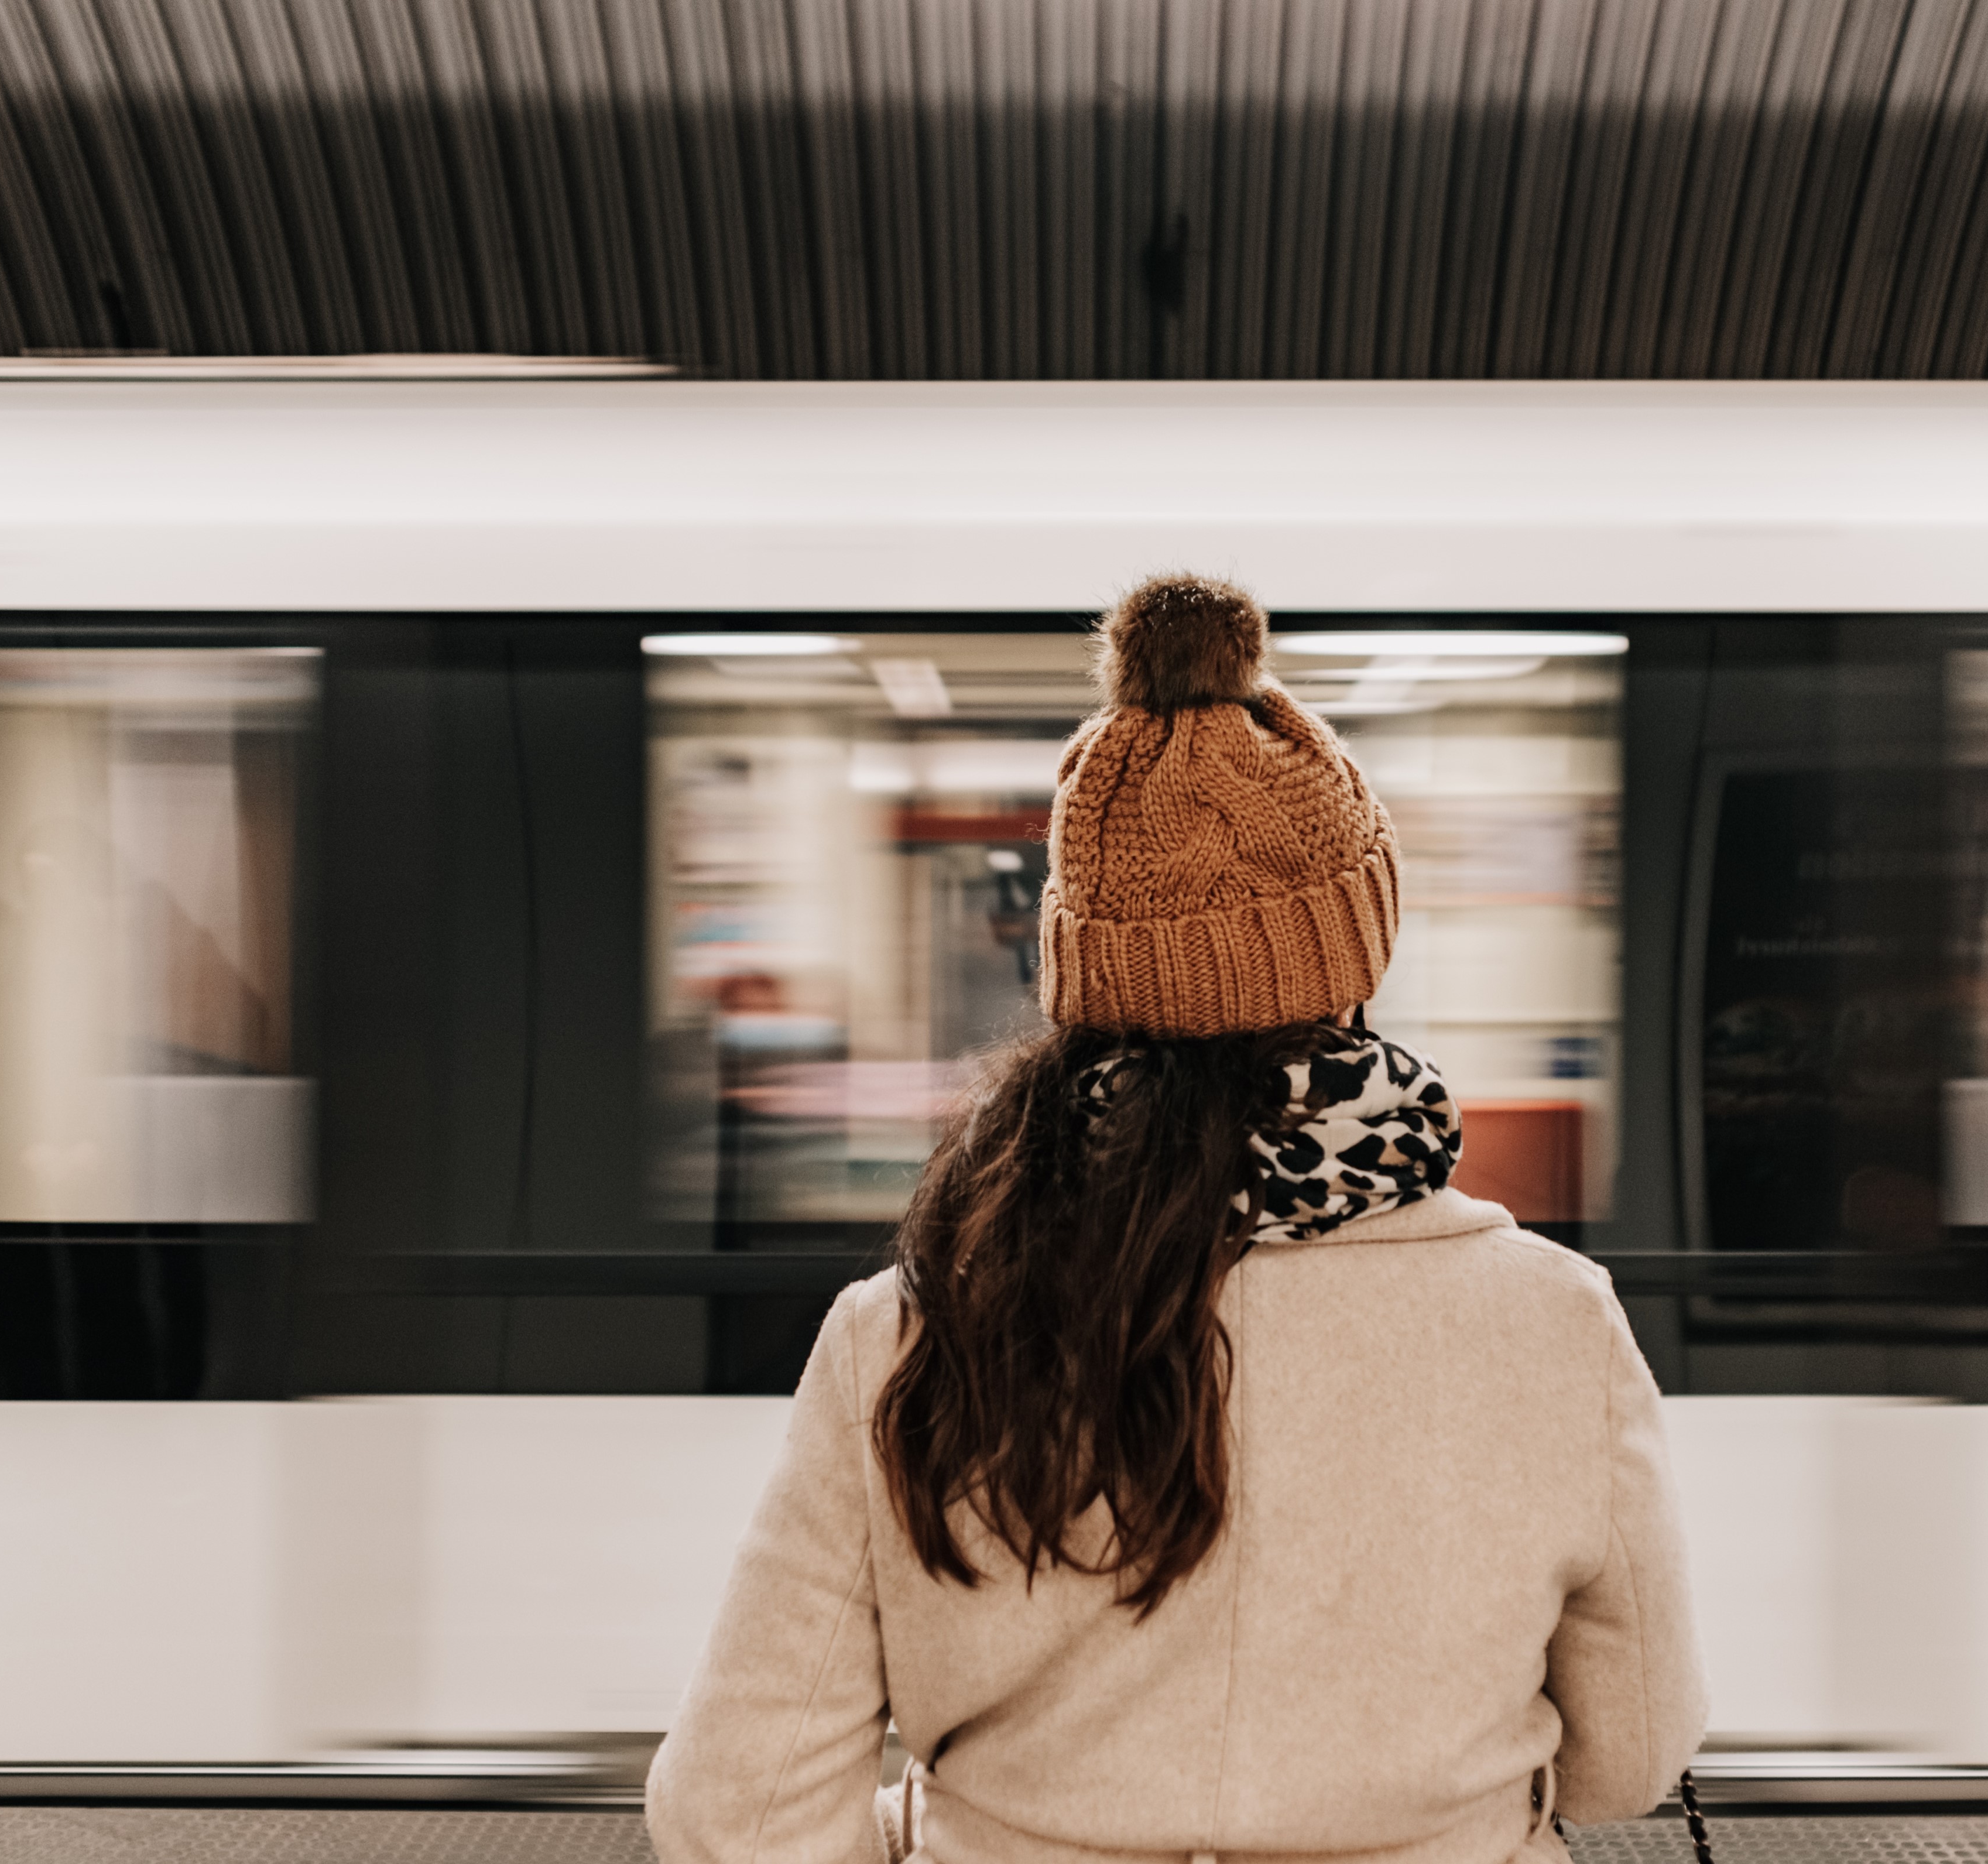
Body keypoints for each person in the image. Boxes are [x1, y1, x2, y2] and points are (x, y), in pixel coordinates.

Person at [647, 575, 1703, 1864]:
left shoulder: (913, 1323)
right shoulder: (1554, 1320)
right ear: (1355, 959)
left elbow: (736, 1811)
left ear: (1080, 971)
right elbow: (1629, 1761)